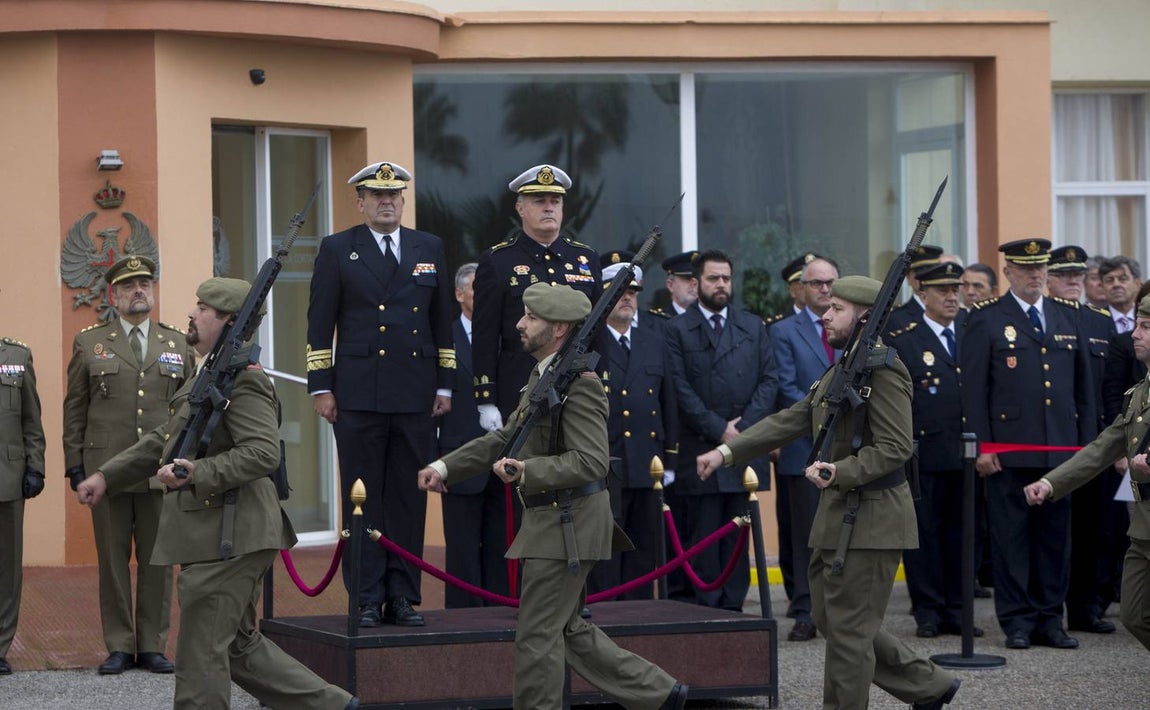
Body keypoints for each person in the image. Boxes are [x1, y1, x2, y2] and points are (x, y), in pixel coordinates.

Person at [77, 277, 357, 710]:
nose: (191, 314)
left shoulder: (244, 379)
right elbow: (164, 439)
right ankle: (337, 706)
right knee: (237, 647)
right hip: (217, 532)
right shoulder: (210, 373)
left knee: (200, 655)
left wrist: (196, 473)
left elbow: (262, 452)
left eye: (203, 308)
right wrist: (107, 476)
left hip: (232, 532)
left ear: (228, 320)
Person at [417, 282, 687, 710]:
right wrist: (445, 466)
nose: (520, 324)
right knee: (567, 629)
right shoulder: (544, 375)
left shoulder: (580, 384)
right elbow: (506, 437)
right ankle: (660, 693)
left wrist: (529, 471)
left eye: (532, 318)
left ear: (559, 328)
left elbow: (592, 461)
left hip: (569, 523)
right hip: (555, 521)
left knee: (537, 635)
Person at [697, 275, 960, 710]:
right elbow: (794, 418)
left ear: (864, 317)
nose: (825, 314)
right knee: (835, 620)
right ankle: (928, 685)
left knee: (849, 634)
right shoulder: (844, 368)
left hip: (872, 517)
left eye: (836, 308)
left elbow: (895, 447)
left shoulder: (885, 369)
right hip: (839, 514)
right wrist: (727, 451)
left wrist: (840, 470)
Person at [308, 161, 454, 628]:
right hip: (357, 395)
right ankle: (367, 596)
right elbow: (318, 324)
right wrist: (321, 386)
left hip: (415, 394)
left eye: (394, 195)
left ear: (403, 201)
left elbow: (442, 321)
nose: (386, 201)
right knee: (362, 498)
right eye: (376, 194)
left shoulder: (428, 246)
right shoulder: (337, 249)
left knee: (409, 500)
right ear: (361, 202)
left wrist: (446, 383)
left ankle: (404, 595)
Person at [960, 238, 1096, 650]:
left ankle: (1050, 619)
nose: (1035, 275)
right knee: (1011, 540)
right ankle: (1017, 621)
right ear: (1008, 272)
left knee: (1055, 541)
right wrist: (982, 447)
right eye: (1026, 268)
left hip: (1059, 453)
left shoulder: (1067, 316)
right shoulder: (987, 319)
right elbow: (974, 391)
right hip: (1009, 452)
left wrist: (1087, 450)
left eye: (1040, 268)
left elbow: (1083, 391)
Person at [62, 255, 193, 675]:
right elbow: (75, 410)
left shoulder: (176, 343)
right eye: (130, 285)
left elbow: (190, 410)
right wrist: (75, 467)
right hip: (108, 471)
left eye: (145, 283)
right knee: (113, 562)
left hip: (160, 471)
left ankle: (152, 644)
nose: (140, 290)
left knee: (158, 561)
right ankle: (119, 644)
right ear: (113, 295)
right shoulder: (90, 342)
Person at [1023, 292, 1150, 653]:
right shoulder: (1141, 391)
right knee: (1136, 615)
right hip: (1143, 529)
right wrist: (1050, 482)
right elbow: (1103, 446)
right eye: (1137, 324)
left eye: (1145, 327)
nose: (1134, 334)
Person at [664, 249, 778, 611]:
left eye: (726, 278)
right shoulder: (676, 329)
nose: (722, 285)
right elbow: (679, 388)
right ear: (696, 284)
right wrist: (719, 429)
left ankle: (734, 610)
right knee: (705, 539)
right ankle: (706, 612)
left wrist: (741, 430)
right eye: (714, 278)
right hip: (700, 449)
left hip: (744, 451)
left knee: (738, 538)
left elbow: (768, 381)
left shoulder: (752, 326)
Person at [472, 164, 600, 434]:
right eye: (539, 201)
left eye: (555, 201)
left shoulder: (585, 259)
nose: (549, 208)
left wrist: (604, 382)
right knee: (517, 470)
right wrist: (486, 398)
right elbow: (484, 335)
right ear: (520, 209)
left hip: (576, 386)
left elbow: (598, 328)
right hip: (520, 385)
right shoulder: (498, 261)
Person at [887, 262, 977, 639]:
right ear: (922, 295)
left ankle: (959, 608)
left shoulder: (971, 332)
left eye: (955, 289)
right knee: (923, 533)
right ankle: (928, 610)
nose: (952, 296)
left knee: (963, 532)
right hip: (923, 453)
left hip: (966, 452)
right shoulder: (907, 338)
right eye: (942, 291)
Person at [586, 262, 678, 600]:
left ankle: (639, 618)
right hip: (606, 463)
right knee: (606, 552)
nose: (627, 298)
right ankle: (607, 617)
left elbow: (668, 402)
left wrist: (669, 459)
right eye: (619, 292)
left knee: (644, 550)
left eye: (633, 292)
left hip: (647, 462)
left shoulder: (653, 341)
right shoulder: (590, 344)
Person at [1046, 245, 1123, 634]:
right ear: (1048, 278)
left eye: (1078, 274)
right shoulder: (1042, 317)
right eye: (1064, 275)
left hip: (1094, 441)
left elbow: (1110, 387)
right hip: (1053, 441)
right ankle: (1046, 612)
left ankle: (1084, 608)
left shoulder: (1099, 320)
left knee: (1095, 529)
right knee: (1054, 533)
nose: (1073, 281)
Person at [768, 255, 839, 641]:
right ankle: (806, 610)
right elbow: (787, 387)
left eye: (830, 283)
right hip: (803, 447)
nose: (824, 290)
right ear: (801, 287)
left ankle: (837, 608)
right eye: (816, 283)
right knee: (805, 534)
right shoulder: (783, 331)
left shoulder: (851, 326)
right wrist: (826, 417)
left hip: (844, 448)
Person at [438, 263, 511, 608]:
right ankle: (463, 621)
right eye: (476, 289)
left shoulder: (508, 336)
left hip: (505, 459)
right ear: (459, 294)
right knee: (463, 549)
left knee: (502, 544)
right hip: (460, 459)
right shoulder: (444, 339)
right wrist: (437, 463)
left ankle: (499, 615)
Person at [0, 336, 45, 677]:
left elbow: (31, 420)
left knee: (7, 569)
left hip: (7, 476)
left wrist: (35, 466)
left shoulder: (17, 356)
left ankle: (0, 645)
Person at [886, 244, 943, 331]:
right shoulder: (895, 319)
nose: (924, 276)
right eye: (919, 271)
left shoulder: (958, 314)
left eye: (930, 270)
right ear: (908, 277)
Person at [1099, 255, 1143, 334]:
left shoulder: (1146, 317)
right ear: (1102, 287)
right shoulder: (1095, 320)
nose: (1116, 284)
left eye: (1123, 279)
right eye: (1109, 280)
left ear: (1137, 284)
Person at [660, 251, 699, 316]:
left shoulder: (713, 321)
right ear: (671, 285)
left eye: (698, 279)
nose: (694, 284)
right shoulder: (658, 322)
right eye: (687, 279)